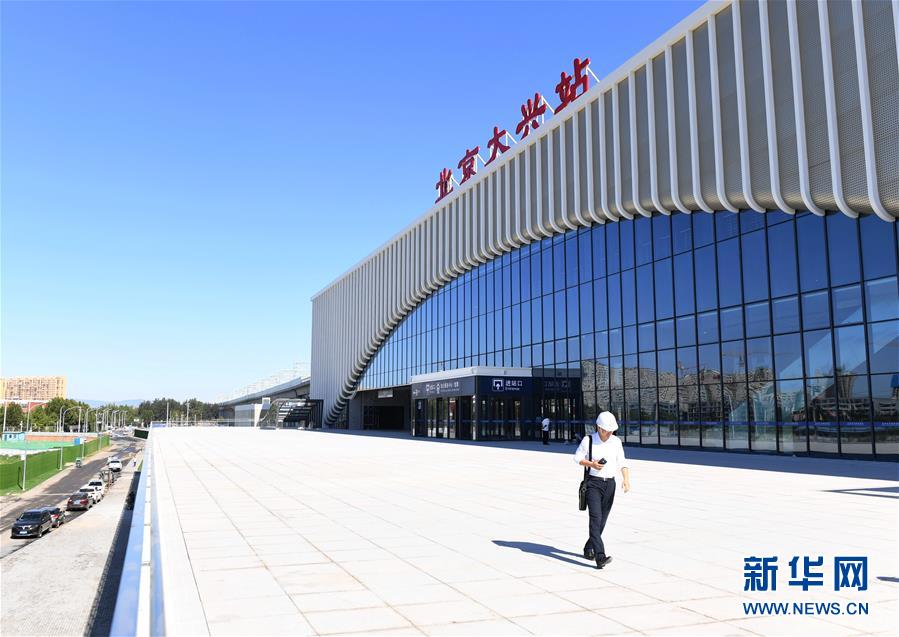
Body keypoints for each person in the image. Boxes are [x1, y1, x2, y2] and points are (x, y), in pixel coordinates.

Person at [573, 411, 631, 569]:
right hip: (593, 484)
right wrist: (591, 464)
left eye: (612, 430)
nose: (609, 433)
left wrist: (626, 479)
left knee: (602, 521)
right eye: (606, 430)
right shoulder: (589, 440)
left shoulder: (616, 442)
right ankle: (600, 556)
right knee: (595, 518)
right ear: (599, 427)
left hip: (610, 484)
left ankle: (588, 547)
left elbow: (622, 461)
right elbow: (577, 458)